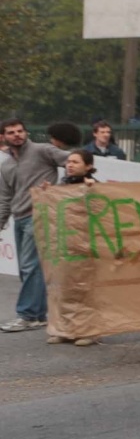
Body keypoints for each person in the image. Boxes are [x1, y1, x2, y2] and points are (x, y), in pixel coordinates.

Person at [1, 119, 79, 335]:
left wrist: (62, 188)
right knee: (27, 269)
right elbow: (5, 198)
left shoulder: (42, 150)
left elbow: (76, 162)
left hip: (41, 215)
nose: (16, 134)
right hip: (19, 218)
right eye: (11, 132)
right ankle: (37, 315)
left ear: (26, 132)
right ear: (3, 137)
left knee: (31, 266)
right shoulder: (6, 165)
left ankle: (26, 315)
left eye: (20, 131)